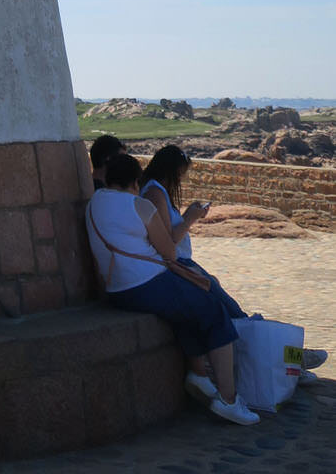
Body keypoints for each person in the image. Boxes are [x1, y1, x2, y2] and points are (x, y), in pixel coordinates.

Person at [87, 151, 259, 424]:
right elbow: (168, 251)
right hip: (146, 282)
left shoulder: (94, 203)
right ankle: (228, 399)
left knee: (185, 310)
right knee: (214, 311)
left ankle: (199, 375)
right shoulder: (140, 206)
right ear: (135, 181)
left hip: (116, 290)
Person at [141, 144, 328, 381]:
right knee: (235, 316)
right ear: (171, 170)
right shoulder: (155, 192)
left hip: (184, 265)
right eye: (180, 174)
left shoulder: (155, 191)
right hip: (181, 266)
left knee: (234, 313)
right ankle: (289, 359)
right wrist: (190, 217)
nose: (181, 180)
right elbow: (168, 241)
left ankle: (287, 362)